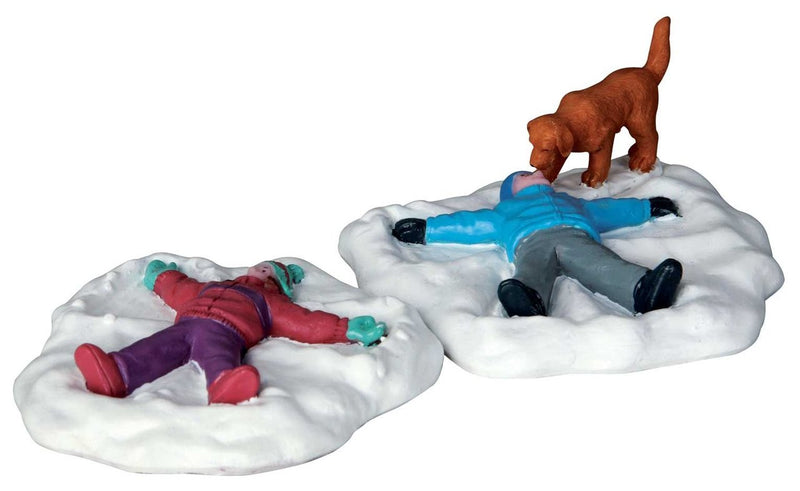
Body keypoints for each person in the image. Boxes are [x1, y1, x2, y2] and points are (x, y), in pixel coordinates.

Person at [74, 259, 386, 404]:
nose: (262, 268)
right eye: (262, 265)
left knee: (217, 356)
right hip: (188, 323)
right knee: (156, 346)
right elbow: (182, 289)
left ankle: (224, 385)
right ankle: (117, 372)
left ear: (276, 282)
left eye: (270, 269)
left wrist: (344, 328)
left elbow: (304, 322)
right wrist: (162, 277)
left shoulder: (270, 301)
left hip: (226, 331)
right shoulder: (215, 286)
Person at [392, 170, 682, 317]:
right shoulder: (505, 211)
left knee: (598, 263)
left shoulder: (571, 202)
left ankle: (641, 289)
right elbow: (469, 224)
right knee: (532, 268)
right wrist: (427, 229)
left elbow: (608, 210)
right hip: (530, 241)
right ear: (511, 191)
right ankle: (528, 301)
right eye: (525, 175)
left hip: (574, 235)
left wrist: (646, 208)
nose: (536, 173)